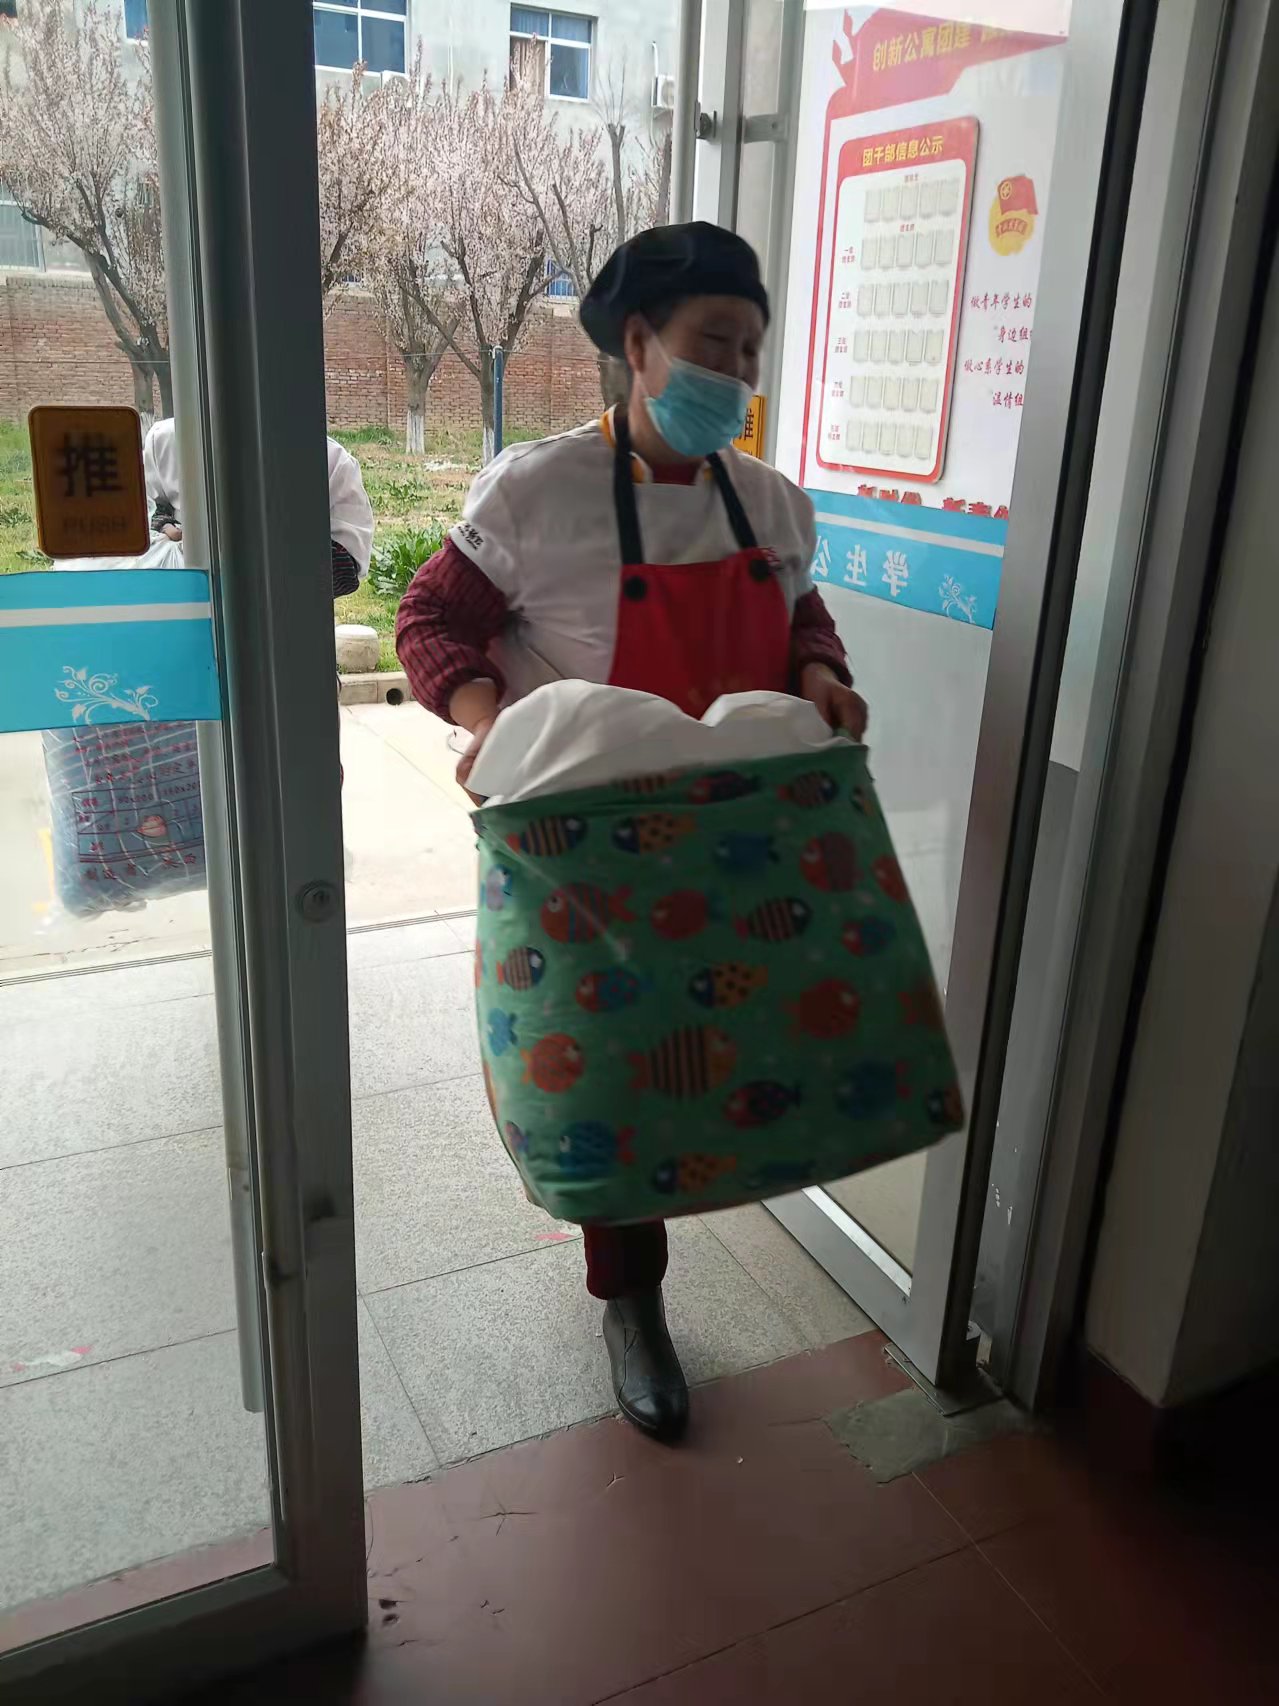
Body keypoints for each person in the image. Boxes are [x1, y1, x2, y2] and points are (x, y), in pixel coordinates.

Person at [396, 222, 867, 1441]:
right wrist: (489, 720)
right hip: (591, 845)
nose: (736, 370)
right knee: (614, 1075)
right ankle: (633, 1301)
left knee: (737, 1037)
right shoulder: (535, 491)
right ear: (640, 343)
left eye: (752, 348)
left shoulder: (769, 502)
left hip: (738, 837)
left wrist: (821, 677)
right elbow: (430, 619)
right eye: (715, 341)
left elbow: (802, 618)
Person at [143, 417, 375, 595]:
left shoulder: (329, 461)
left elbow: (347, 568)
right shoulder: (166, 442)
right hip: (186, 606)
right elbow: (149, 511)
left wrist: (259, 552)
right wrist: (166, 527)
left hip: (282, 620)